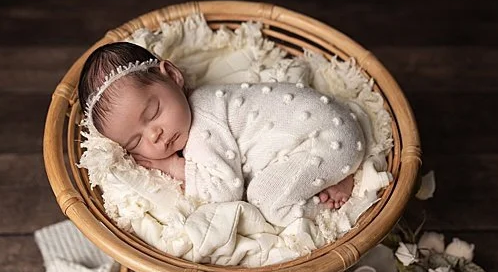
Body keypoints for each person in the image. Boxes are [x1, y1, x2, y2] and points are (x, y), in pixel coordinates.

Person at [77, 42, 363, 226]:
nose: (154, 135)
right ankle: (332, 172)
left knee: (266, 200)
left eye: (153, 113)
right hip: (330, 125)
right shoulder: (207, 98)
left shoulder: (203, 126)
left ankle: (334, 200)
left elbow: (224, 195)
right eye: (135, 142)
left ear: (173, 76)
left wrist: (174, 167)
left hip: (326, 140)